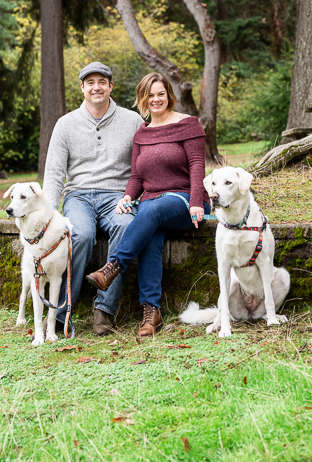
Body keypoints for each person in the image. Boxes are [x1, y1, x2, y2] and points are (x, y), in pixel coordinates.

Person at [87, 72, 210, 337]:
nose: (156, 100)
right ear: (143, 99)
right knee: (150, 236)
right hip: (153, 206)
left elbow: (197, 165)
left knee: (151, 209)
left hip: (185, 199)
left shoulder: (188, 124)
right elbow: (137, 176)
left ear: (169, 95)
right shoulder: (142, 133)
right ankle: (151, 313)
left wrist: (197, 200)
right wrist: (128, 197)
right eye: (150, 95)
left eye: (161, 94)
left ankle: (114, 265)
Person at [43, 62, 144, 336]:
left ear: (111, 86)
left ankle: (104, 311)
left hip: (117, 196)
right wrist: (51, 214)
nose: (96, 87)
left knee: (127, 227)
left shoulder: (133, 121)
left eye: (102, 81)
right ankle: (62, 313)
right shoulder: (65, 125)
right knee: (81, 235)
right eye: (90, 82)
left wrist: (132, 197)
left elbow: (143, 166)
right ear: (82, 88)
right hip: (78, 195)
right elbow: (53, 173)